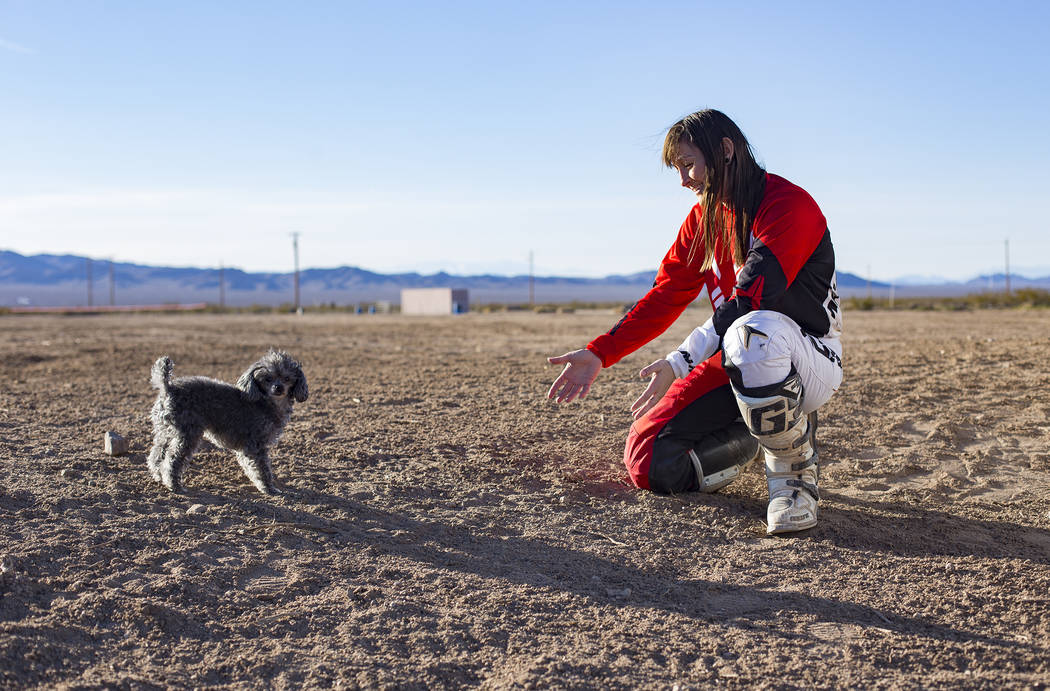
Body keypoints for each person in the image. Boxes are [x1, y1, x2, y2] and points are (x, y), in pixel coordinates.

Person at [546, 109, 842, 534]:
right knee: (649, 463)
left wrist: (679, 360)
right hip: (736, 356)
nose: (684, 180)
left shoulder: (788, 205)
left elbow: (750, 300)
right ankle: (757, 437)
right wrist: (600, 352)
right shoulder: (704, 220)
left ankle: (794, 477)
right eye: (677, 169)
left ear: (725, 150)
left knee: (753, 333)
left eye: (688, 165)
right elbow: (666, 294)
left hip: (807, 360)